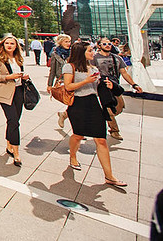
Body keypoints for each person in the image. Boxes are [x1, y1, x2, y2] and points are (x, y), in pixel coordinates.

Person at [63, 41, 126, 186]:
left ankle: (109, 176)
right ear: (81, 53)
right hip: (77, 104)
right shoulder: (69, 67)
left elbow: (96, 86)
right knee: (78, 135)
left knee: (101, 140)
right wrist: (85, 81)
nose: (93, 53)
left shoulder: (92, 68)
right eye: (90, 50)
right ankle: (72, 156)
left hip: (94, 104)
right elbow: (68, 86)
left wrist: (106, 85)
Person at [0, 35, 29, 167]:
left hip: (18, 91)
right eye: (7, 43)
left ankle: (9, 144)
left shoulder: (18, 58)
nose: (9, 45)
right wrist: (8, 77)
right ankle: (16, 153)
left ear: (16, 45)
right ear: (3, 44)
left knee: (14, 120)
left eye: (12, 43)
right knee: (13, 121)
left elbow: (20, 72)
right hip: (5, 93)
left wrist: (24, 77)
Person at [94, 36, 142, 141]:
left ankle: (67, 114)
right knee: (108, 109)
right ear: (99, 46)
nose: (107, 46)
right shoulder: (94, 58)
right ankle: (114, 130)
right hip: (102, 87)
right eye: (104, 44)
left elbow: (124, 73)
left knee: (119, 107)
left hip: (115, 86)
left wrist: (134, 84)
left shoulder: (117, 58)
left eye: (109, 44)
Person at [48, 34, 72, 129]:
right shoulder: (55, 54)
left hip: (73, 80)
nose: (68, 43)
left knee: (75, 103)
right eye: (66, 41)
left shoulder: (73, 53)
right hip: (63, 81)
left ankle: (64, 115)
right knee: (73, 103)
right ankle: (65, 115)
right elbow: (52, 70)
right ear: (60, 42)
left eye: (69, 41)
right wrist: (49, 84)